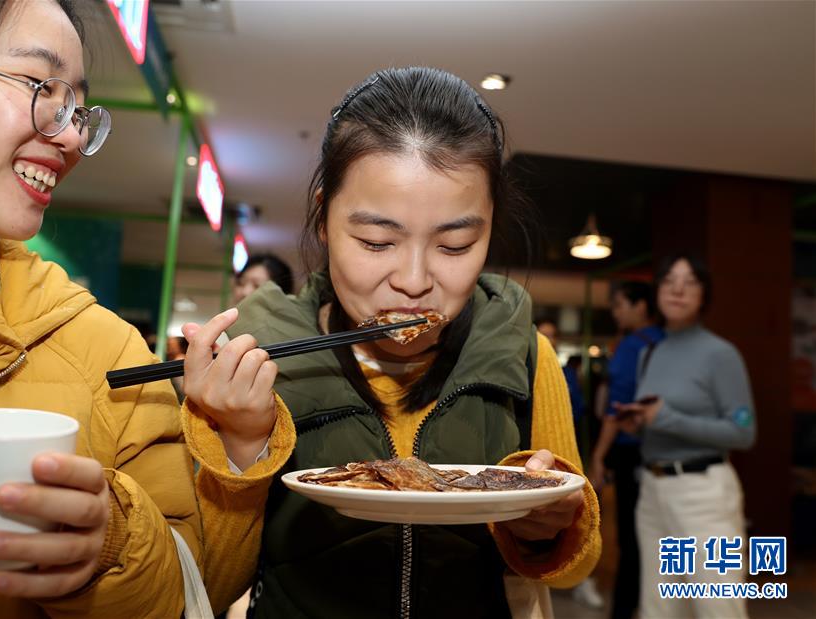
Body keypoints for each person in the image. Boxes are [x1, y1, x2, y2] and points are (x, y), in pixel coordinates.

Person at [180, 67, 601, 618]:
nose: (414, 279)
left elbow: (576, 566)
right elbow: (207, 586)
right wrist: (241, 444)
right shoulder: (254, 360)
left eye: (455, 245)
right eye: (377, 242)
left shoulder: (520, 348)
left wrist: (546, 525)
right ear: (325, 217)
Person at [0, 1, 202, 616]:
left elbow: (193, 583)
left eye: (76, 107)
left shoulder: (111, 355)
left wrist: (112, 546)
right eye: (38, 87)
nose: (71, 136)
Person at [616, 254, 755, 619]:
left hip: (702, 494)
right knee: (658, 607)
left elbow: (743, 433)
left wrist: (667, 418)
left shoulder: (721, 354)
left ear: (704, 294)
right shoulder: (650, 352)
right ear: (658, 290)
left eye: (690, 281)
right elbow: (660, 418)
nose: (678, 288)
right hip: (652, 489)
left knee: (717, 606)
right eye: (669, 280)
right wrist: (642, 422)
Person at [589, 281, 664, 619]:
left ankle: (623, 609)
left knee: (632, 538)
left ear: (641, 307)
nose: (615, 312)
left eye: (620, 304)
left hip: (632, 451)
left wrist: (599, 456)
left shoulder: (633, 345)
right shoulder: (669, 342)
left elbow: (615, 412)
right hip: (666, 453)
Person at [536, 318, 604, 611]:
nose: (548, 341)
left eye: (553, 336)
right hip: (538, 451)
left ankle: (580, 584)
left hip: (569, 442)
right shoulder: (530, 364)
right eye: (544, 335)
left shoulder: (563, 372)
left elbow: (580, 408)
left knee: (576, 515)